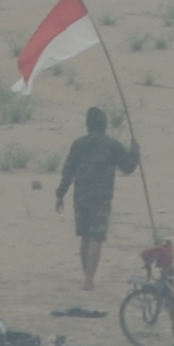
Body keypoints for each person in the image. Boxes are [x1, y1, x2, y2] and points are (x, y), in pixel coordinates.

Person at [54, 106, 140, 288]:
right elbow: (129, 166)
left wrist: (60, 194)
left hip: (81, 196)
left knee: (85, 237)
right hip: (101, 198)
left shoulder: (78, 144)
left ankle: (87, 277)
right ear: (104, 125)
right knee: (96, 238)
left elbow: (68, 171)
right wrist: (135, 151)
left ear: (88, 125)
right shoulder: (112, 145)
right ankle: (89, 279)